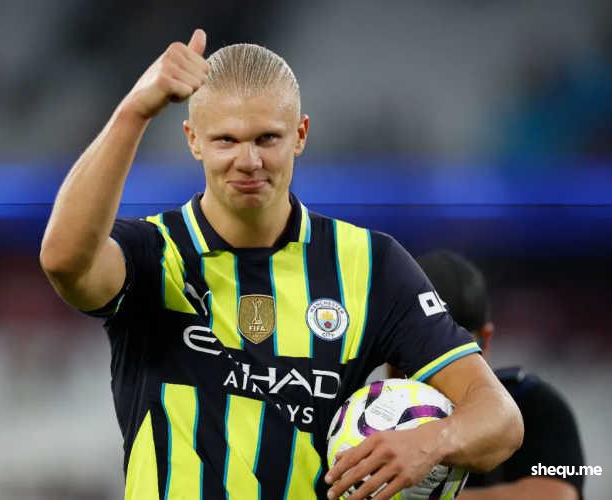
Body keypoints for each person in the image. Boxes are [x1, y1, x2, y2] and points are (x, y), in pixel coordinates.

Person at [39, 29, 523, 499]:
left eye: (267, 138)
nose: (248, 160)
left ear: (300, 134)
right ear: (193, 140)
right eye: (226, 140)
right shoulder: (155, 254)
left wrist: (431, 441)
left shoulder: (371, 264)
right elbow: (62, 261)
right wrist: (134, 112)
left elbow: (500, 418)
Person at [415, 250, 585, 500]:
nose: (430, 367)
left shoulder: (534, 405)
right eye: (416, 351)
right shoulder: (364, 413)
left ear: (485, 340)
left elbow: (558, 494)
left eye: (449, 351)